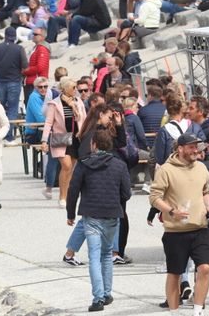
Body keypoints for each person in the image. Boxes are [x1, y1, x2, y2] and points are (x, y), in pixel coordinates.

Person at [148, 134, 209, 315]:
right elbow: (154, 197)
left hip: (200, 228)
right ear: (180, 149)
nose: (196, 151)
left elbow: (205, 192)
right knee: (175, 273)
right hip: (176, 231)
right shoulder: (166, 170)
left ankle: (198, 310)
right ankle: (174, 311)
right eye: (191, 147)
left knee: (205, 268)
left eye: (197, 147)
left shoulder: (202, 168)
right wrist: (171, 211)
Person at [66, 129, 131, 312]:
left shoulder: (84, 164)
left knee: (94, 256)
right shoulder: (119, 165)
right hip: (112, 214)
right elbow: (127, 193)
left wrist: (70, 214)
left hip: (91, 215)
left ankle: (98, 298)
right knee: (107, 253)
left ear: (93, 144)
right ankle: (107, 293)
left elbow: (73, 190)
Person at [42, 77, 86, 206]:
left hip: (76, 137)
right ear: (65, 89)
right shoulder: (55, 103)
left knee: (71, 168)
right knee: (66, 166)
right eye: (73, 87)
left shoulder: (78, 102)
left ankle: (67, 195)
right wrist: (44, 140)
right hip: (61, 137)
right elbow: (48, 122)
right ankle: (62, 197)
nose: (75, 90)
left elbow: (84, 119)